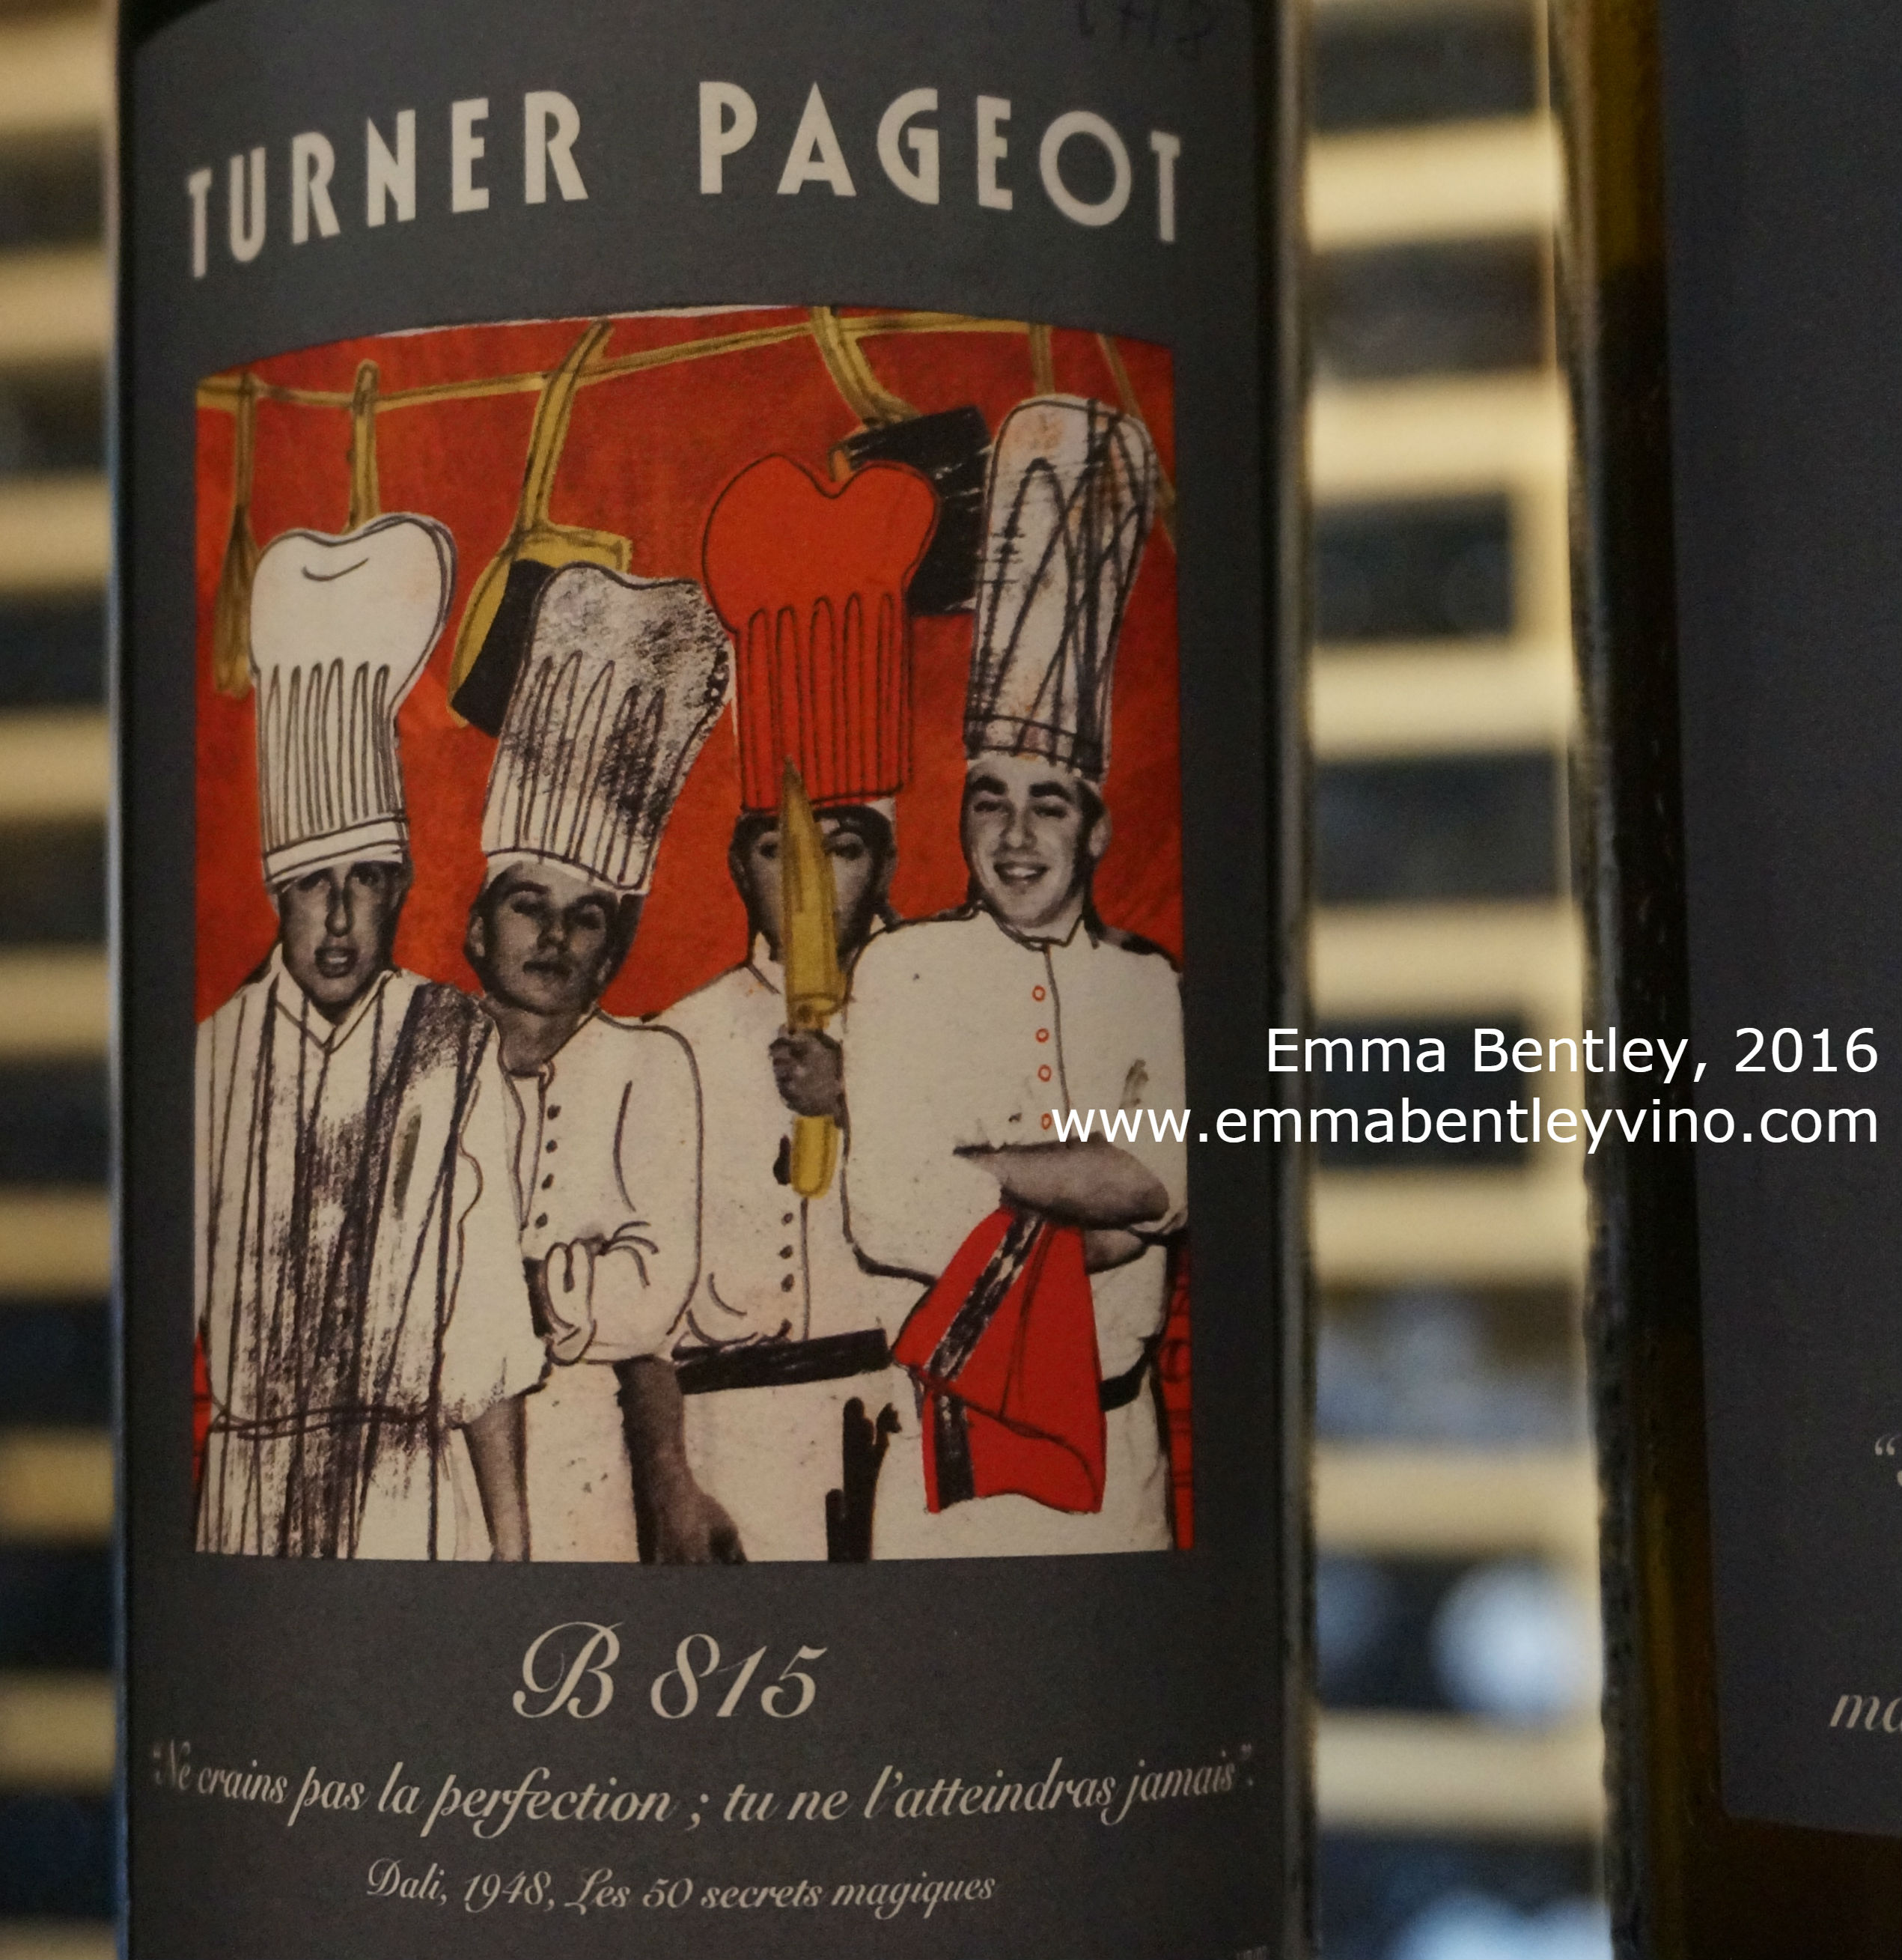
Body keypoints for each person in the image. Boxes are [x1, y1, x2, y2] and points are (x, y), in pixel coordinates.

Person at [844, 395, 1189, 1557]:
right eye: (989, 801)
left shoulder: (1150, 986)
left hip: (1118, 1448)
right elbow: (887, 1207)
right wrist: (1091, 1206)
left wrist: (982, 1170)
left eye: (1049, 804)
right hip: (946, 1448)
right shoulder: (901, 968)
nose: (1016, 834)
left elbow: (1162, 1182)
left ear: (1095, 830)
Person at [195, 513, 545, 1560]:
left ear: (399, 889)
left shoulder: (450, 1042)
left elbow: (484, 1317)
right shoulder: (215, 1056)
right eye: (314, 885)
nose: (341, 919)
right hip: (246, 1501)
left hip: (408, 1496)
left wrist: (513, 1549)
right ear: (278, 893)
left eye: (367, 881)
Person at [652, 449, 935, 1560]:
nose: (812, 879)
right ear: (740, 866)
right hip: (733, 1432)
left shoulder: (942, 1008)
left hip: (904, 1410)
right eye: (779, 850)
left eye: (844, 849)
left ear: (886, 861)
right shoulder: (681, 1040)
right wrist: (674, 1481)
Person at [468, 561, 733, 1562]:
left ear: (612, 952)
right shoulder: (424, 1053)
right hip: (425, 1442)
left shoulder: (649, 1064)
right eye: (528, 906)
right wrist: (564, 1286)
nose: (554, 937)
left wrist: (503, 1293)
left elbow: (654, 1292)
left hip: (581, 1442)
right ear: (477, 928)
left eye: (586, 919)